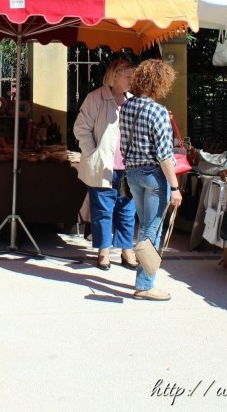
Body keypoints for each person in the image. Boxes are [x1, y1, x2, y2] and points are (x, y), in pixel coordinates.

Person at [119, 59, 183, 301]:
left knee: (146, 225)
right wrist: (175, 187)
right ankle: (145, 285)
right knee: (150, 230)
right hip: (154, 176)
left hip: (133, 173)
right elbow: (164, 155)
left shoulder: (126, 107)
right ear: (161, 83)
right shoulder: (157, 112)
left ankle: (144, 279)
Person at [73, 58, 137, 271]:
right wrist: (92, 153)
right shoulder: (95, 98)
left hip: (127, 169)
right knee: (102, 210)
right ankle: (103, 251)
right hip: (102, 167)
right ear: (115, 75)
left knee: (127, 210)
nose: (132, 80)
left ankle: (127, 250)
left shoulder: (133, 101)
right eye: (128, 76)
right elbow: (81, 128)